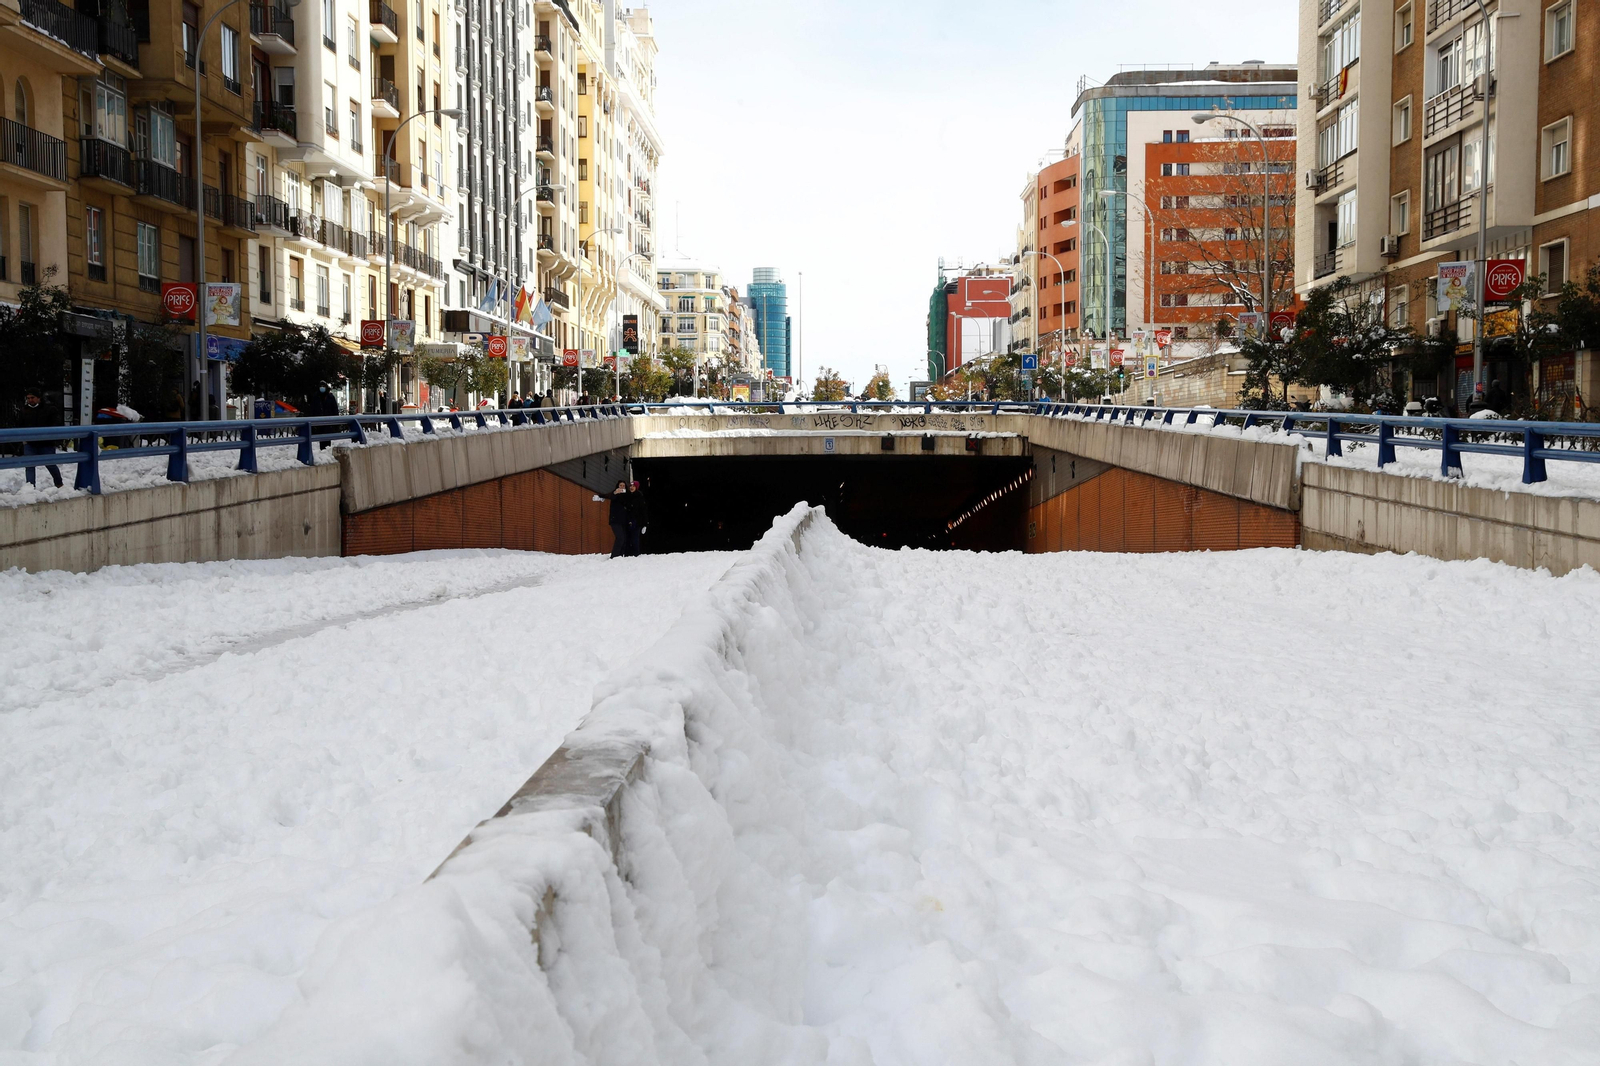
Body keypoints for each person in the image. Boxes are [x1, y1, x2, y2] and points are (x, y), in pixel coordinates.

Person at [18, 390, 63, 488]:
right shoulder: (24, 410)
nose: (30, 400)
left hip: (46, 443)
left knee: (50, 464)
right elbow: (20, 425)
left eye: (32, 397)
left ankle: (59, 484)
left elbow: (56, 424)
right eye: (28, 398)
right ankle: (30, 487)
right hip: (30, 443)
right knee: (29, 465)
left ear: (39, 398)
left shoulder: (49, 409)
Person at [603, 479, 630, 558]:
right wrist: (615, 493)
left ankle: (620, 555)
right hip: (615, 520)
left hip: (623, 521)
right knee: (620, 538)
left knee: (624, 538)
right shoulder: (614, 495)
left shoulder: (626, 496)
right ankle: (614, 556)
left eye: (623, 486)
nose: (622, 487)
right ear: (617, 486)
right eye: (620, 485)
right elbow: (610, 496)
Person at [624, 478, 649, 556]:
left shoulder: (639, 497)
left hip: (637, 521)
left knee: (635, 538)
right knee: (627, 538)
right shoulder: (627, 496)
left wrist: (645, 524)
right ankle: (627, 554)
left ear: (636, 487)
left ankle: (635, 554)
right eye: (630, 486)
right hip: (627, 520)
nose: (631, 487)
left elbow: (643, 511)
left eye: (633, 486)